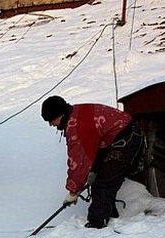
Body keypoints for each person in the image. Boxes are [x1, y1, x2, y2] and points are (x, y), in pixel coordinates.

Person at [41, 95, 144, 228]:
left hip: (126, 139)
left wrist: (73, 191)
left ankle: (97, 224)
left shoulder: (76, 127)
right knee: (100, 177)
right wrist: (93, 170)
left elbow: (78, 163)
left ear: (60, 114)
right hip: (115, 139)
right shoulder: (76, 114)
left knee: (104, 181)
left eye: (51, 120)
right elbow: (92, 148)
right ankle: (109, 215)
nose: (50, 125)